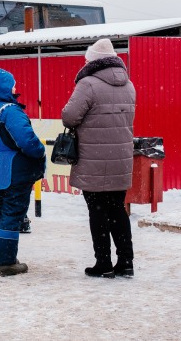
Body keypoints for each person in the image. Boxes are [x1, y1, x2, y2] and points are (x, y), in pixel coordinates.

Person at [61, 38, 136, 278]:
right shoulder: (129, 84)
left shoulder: (88, 84)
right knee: (117, 209)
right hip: (120, 158)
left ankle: (103, 262)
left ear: (92, 60)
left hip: (93, 158)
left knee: (97, 209)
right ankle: (126, 261)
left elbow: (69, 117)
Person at [0, 68, 46, 276]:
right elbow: (26, 140)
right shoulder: (9, 110)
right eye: (12, 83)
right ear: (4, 86)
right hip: (15, 168)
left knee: (1, 211)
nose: (15, 87)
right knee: (13, 212)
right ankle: (7, 261)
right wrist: (40, 151)